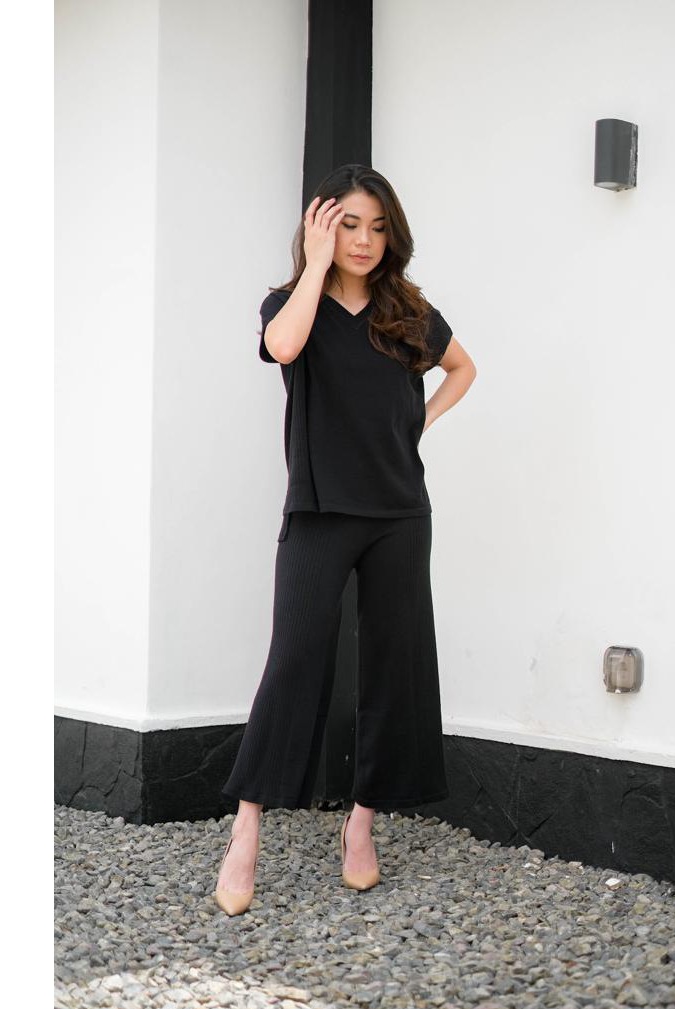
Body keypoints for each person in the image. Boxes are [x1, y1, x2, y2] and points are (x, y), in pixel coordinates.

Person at [214, 164, 477, 915]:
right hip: (320, 510)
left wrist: (418, 422)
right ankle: (247, 828)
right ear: (321, 226)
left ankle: (361, 823)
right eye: (349, 224)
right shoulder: (289, 302)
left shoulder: (408, 311)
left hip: (399, 511)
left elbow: (462, 369)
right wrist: (316, 265)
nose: (364, 240)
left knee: (395, 665)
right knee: (295, 658)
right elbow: (284, 348)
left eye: (377, 227)